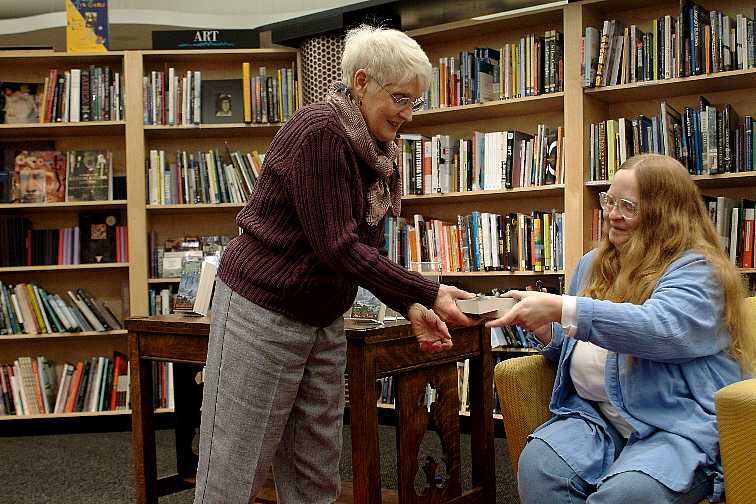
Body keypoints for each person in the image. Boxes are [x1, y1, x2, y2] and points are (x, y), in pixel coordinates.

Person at [193, 24, 476, 504]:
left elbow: (362, 251)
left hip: (322, 316)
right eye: (400, 99)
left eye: (415, 102)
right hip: (262, 311)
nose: (408, 114)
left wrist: (409, 305)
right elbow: (338, 247)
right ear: (362, 81)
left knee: (316, 475)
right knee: (233, 471)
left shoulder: (375, 149)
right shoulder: (321, 132)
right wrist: (426, 292)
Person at [487, 153, 754, 504]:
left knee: (625, 495)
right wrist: (547, 331)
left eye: (627, 205)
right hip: (596, 416)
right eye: (609, 201)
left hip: (674, 423)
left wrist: (563, 308)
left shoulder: (699, 270)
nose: (612, 214)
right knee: (539, 468)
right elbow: (586, 346)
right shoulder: (591, 264)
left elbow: (659, 328)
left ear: (665, 214)